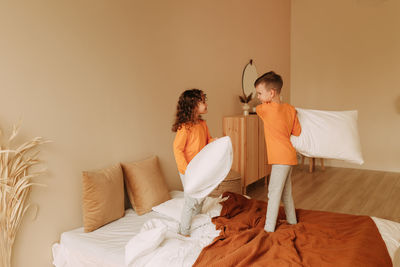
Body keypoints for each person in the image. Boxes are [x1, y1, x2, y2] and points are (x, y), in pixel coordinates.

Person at [255, 71, 301, 232]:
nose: (258, 97)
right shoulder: (290, 109)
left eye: (260, 93)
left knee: (273, 193)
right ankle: (292, 221)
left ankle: (268, 228)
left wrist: (267, 103)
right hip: (289, 156)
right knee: (286, 192)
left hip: (280, 159)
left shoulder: (265, 110)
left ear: (271, 92)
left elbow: (258, 108)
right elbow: (297, 132)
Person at [172, 88, 214, 236]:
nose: (206, 104)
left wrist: (220, 143)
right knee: (190, 201)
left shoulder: (202, 124)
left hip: (200, 168)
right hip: (188, 170)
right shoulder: (185, 127)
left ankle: (197, 220)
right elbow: (177, 149)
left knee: (201, 197)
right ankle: (183, 231)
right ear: (193, 105)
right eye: (202, 101)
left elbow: (208, 141)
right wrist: (187, 169)